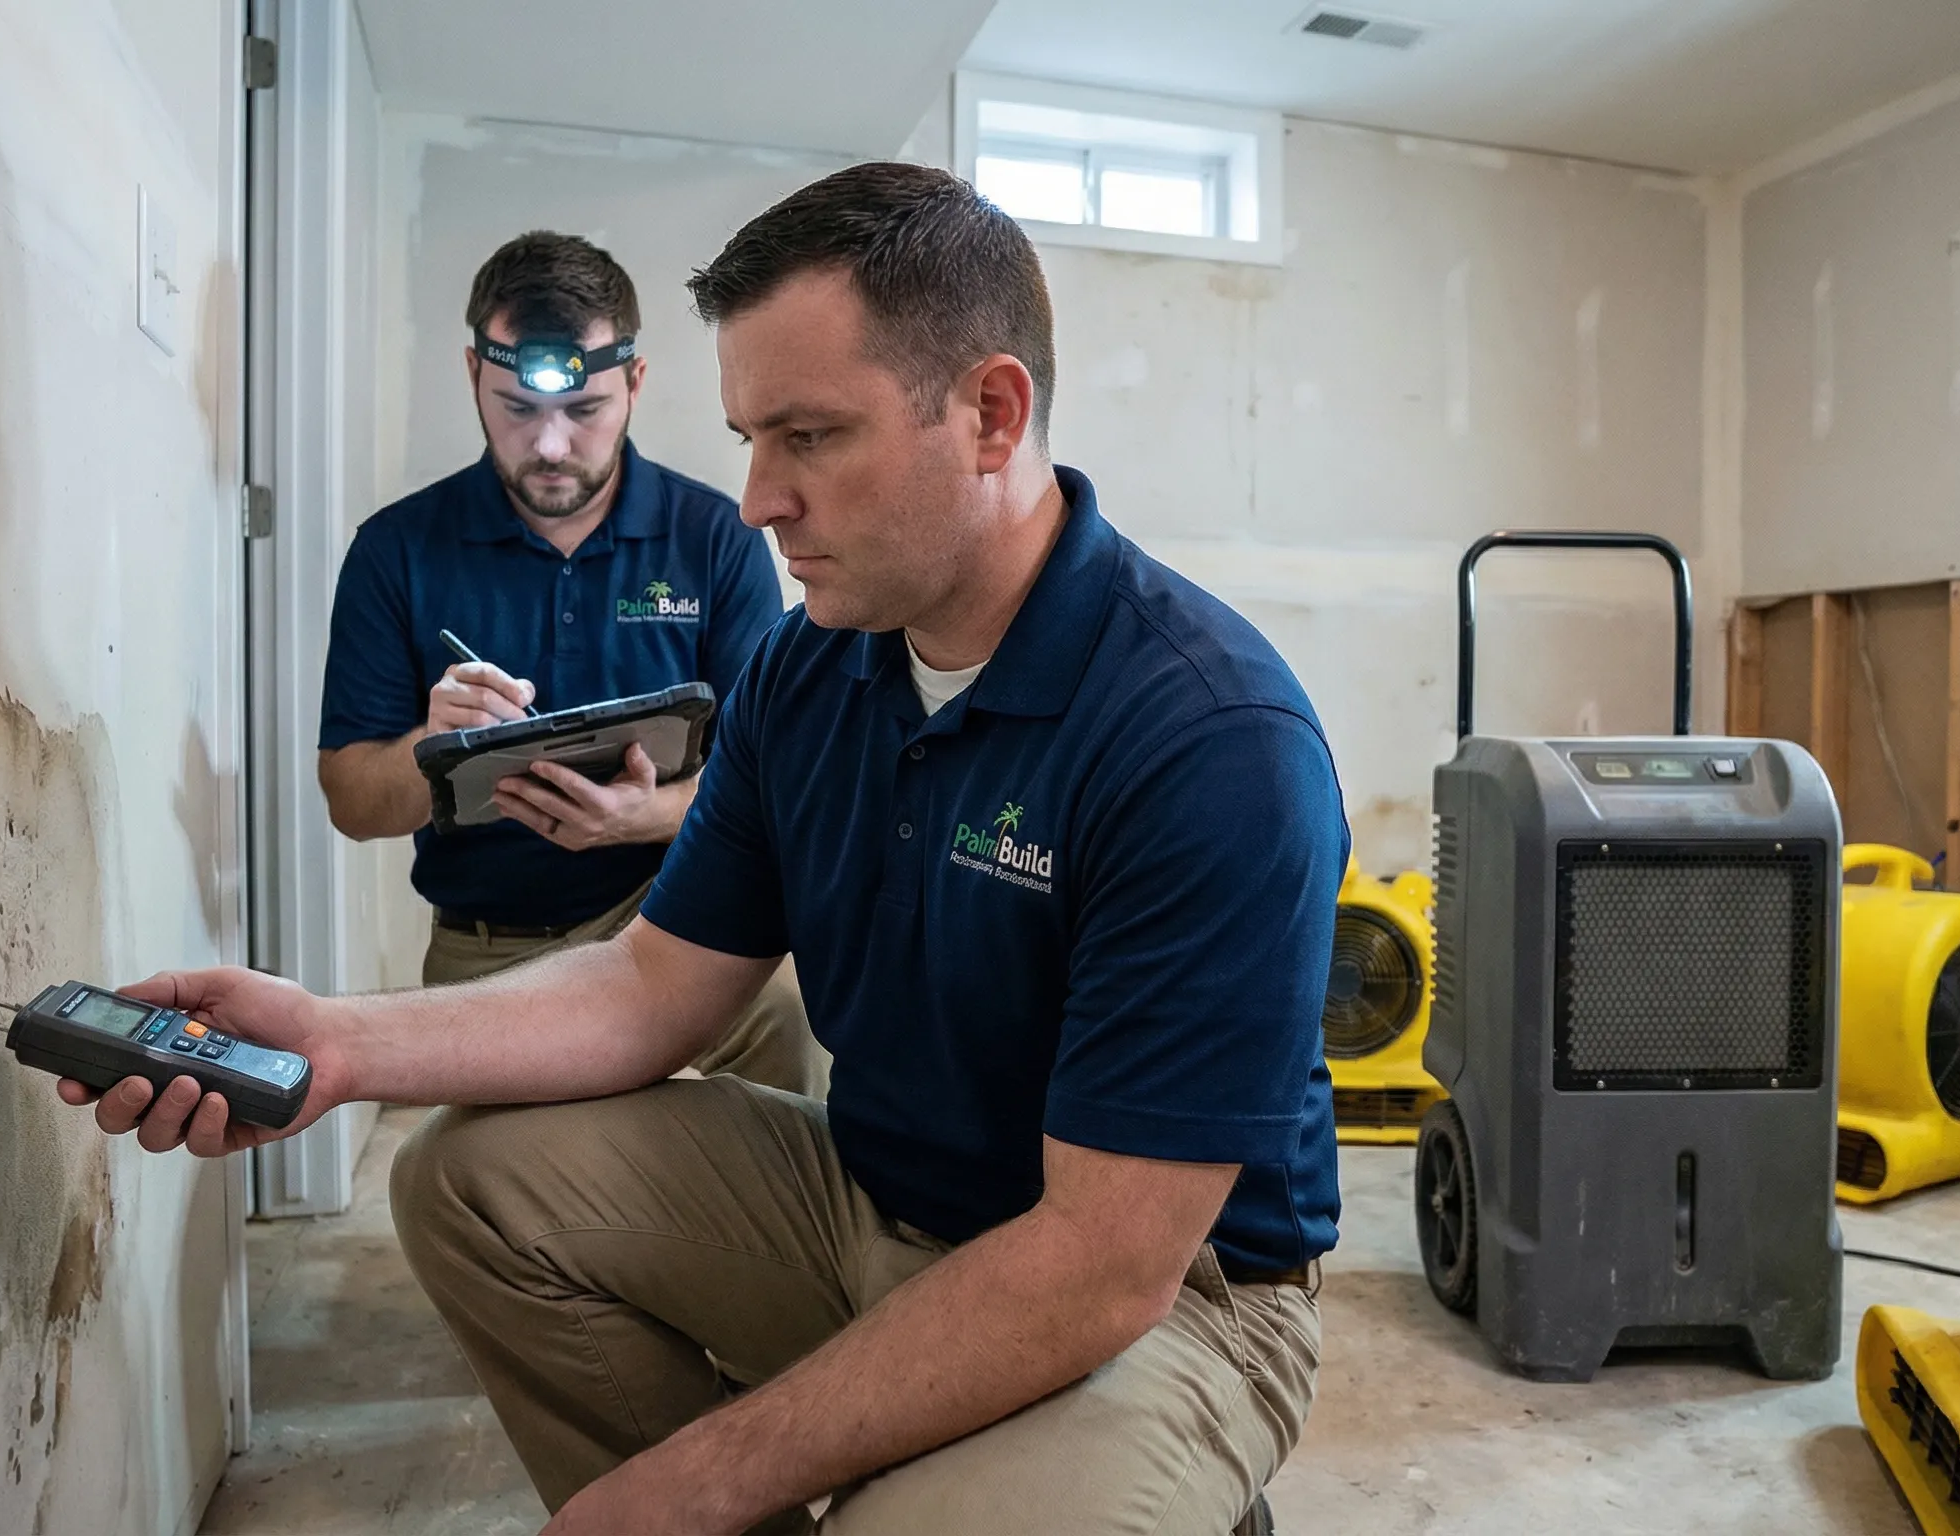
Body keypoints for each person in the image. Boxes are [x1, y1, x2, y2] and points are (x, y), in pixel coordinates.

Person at [74, 163, 1344, 1534]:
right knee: (466, 1182)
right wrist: (335, 1041)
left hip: (1165, 1295)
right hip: (879, 1196)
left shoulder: (1208, 737)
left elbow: (1102, 1266)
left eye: (809, 437)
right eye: (748, 436)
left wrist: (696, 1479)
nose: (755, 500)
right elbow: (645, 989)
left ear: (991, 413)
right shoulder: (813, 673)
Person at [314, 230, 817, 1095]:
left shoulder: (716, 540)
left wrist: (638, 816)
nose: (550, 446)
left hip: (674, 916)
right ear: (474, 373)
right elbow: (354, 804)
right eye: (518, 408)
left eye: (584, 411)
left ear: (635, 384)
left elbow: (771, 780)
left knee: (790, 1021)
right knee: (478, 1185)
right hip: (489, 943)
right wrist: (430, 745)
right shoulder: (397, 550)